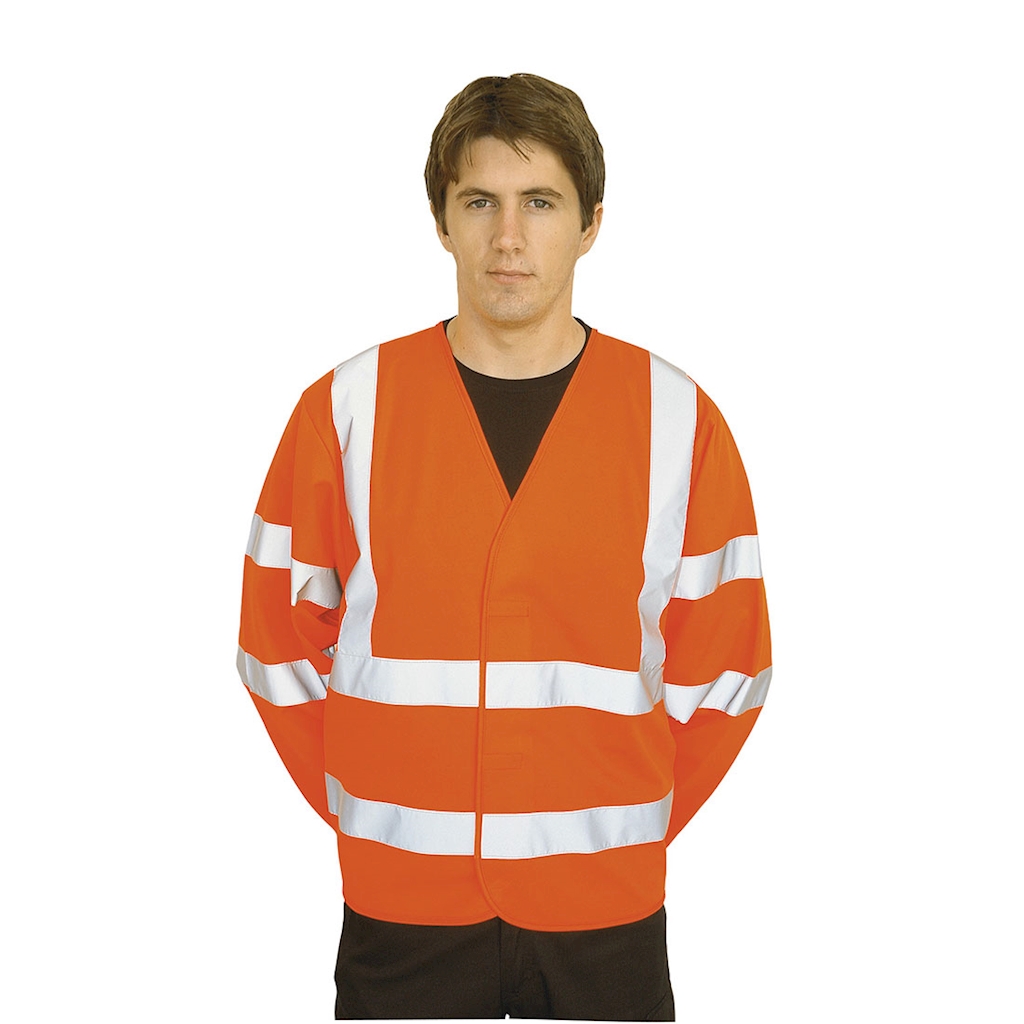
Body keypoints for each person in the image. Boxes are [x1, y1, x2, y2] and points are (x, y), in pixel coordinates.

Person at [237, 73, 771, 1021]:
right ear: (441, 221)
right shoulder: (347, 411)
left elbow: (728, 667)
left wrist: (620, 830)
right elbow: (274, 642)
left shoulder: (678, 421)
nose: (510, 237)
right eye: (480, 201)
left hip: (607, 913)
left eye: (542, 203)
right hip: (401, 905)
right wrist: (376, 815)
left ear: (591, 223)